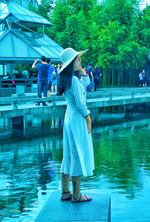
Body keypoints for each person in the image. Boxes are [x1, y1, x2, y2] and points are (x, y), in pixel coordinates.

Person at [57, 47, 94, 203]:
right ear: (73, 62)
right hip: (77, 118)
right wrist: (88, 118)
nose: (80, 60)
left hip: (69, 117)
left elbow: (82, 89)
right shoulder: (73, 80)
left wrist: (84, 74)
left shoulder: (67, 79)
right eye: (78, 58)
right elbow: (80, 103)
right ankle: (77, 195)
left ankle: (65, 191)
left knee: (69, 152)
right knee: (78, 153)